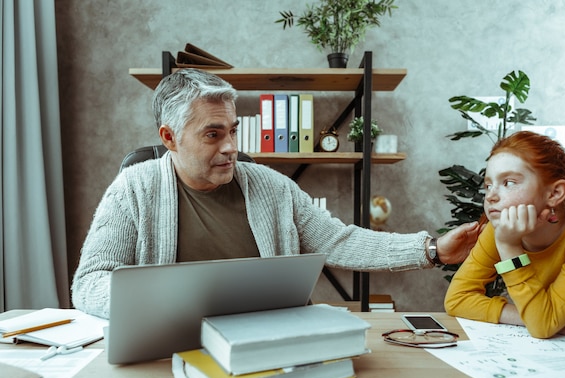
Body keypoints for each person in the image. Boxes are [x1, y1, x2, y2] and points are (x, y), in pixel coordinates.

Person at [71, 69, 481, 319]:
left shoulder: (271, 186)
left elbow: (340, 240)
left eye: (232, 130)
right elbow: (89, 283)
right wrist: (167, 301)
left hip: (267, 339)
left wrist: (432, 250)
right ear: (170, 138)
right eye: (213, 134)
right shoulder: (134, 188)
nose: (230, 146)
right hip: (170, 346)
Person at [444, 131, 565, 350]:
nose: (491, 196)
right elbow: (457, 299)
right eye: (488, 185)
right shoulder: (503, 225)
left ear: (554, 193)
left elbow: (542, 325)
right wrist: (532, 318)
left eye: (509, 182)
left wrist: (509, 247)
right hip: (563, 347)